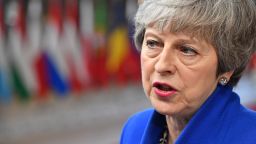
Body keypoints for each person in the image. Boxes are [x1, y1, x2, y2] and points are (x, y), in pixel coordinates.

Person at [120, 0, 256, 143]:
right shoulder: (134, 129)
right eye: (153, 43)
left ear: (227, 67)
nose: (161, 66)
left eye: (187, 50)